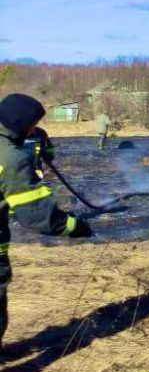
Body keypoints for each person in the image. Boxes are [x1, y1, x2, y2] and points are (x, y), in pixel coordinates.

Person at [0, 94, 93, 350]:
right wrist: (75, 226)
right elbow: (37, 215)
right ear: (19, 123)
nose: (33, 129)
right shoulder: (10, 158)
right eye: (31, 124)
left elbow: (46, 147)